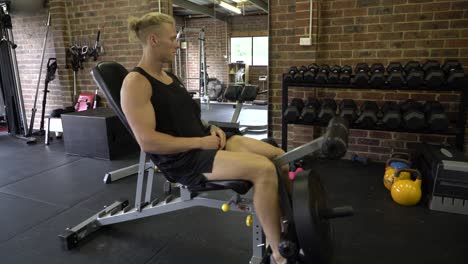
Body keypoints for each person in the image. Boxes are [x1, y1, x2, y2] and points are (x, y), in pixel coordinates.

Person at [122, 12, 290, 264]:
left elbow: (189, 117)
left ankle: (288, 225)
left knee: (280, 157)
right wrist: (200, 142)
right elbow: (148, 142)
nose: (177, 44)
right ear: (154, 40)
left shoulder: (170, 77)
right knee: (264, 170)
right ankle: (278, 255)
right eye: (172, 38)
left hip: (204, 143)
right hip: (183, 159)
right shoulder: (136, 82)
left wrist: (210, 127)